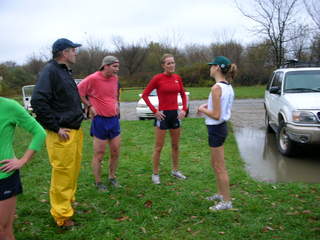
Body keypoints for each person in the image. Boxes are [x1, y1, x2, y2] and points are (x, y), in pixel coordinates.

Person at [31, 38, 84, 227]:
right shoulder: (50, 71)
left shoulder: (64, 71)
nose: (76, 53)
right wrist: (55, 127)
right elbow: (38, 100)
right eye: (73, 50)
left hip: (74, 131)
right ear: (63, 52)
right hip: (62, 133)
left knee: (72, 172)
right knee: (62, 174)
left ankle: (67, 204)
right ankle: (62, 216)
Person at [0, 97, 46, 240]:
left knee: (3, 231)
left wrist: (23, 160)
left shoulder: (9, 106)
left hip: (4, 177)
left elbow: (39, 132)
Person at [197, 56, 237, 211]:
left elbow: (216, 115)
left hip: (216, 129)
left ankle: (227, 202)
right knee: (215, 164)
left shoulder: (216, 88)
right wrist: (208, 105)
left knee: (220, 167)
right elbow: (219, 106)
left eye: (211, 65)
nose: (210, 68)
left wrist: (201, 109)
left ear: (217, 68)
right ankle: (221, 194)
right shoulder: (227, 86)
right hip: (220, 129)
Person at [142, 53, 188, 184]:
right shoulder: (157, 78)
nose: (171, 65)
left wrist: (184, 109)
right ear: (163, 65)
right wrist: (154, 111)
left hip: (175, 115)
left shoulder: (177, 78)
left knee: (175, 146)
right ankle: (155, 173)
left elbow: (183, 95)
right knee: (158, 147)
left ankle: (175, 170)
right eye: (168, 63)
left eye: (173, 62)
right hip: (162, 116)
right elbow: (145, 95)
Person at [77, 56, 121, 191]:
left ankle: (112, 177)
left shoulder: (115, 78)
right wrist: (89, 106)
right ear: (105, 66)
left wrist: (116, 104)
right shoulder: (92, 78)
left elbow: (114, 94)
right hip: (100, 120)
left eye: (118, 66)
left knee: (115, 151)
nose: (117, 69)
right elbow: (78, 91)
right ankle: (98, 182)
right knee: (99, 153)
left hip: (114, 120)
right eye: (114, 66)